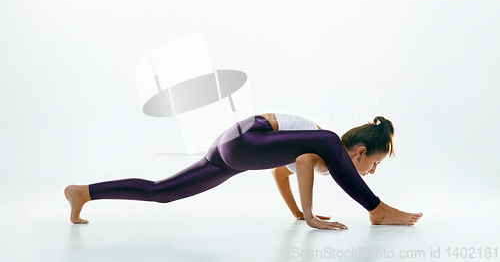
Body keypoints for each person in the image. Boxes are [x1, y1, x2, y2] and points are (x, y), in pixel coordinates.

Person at [64, 113, 422, 230]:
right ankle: (377, 210)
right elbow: (301, 164)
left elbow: (281, 172)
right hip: (248, 137)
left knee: (163, 191)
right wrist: (311, 217)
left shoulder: (312, 152)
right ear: (359, 153)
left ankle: (83, 192)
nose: (370, 171)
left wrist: (297, 212)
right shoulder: (321, 144)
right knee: (327, 139)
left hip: (229, 152)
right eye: (373, 164)